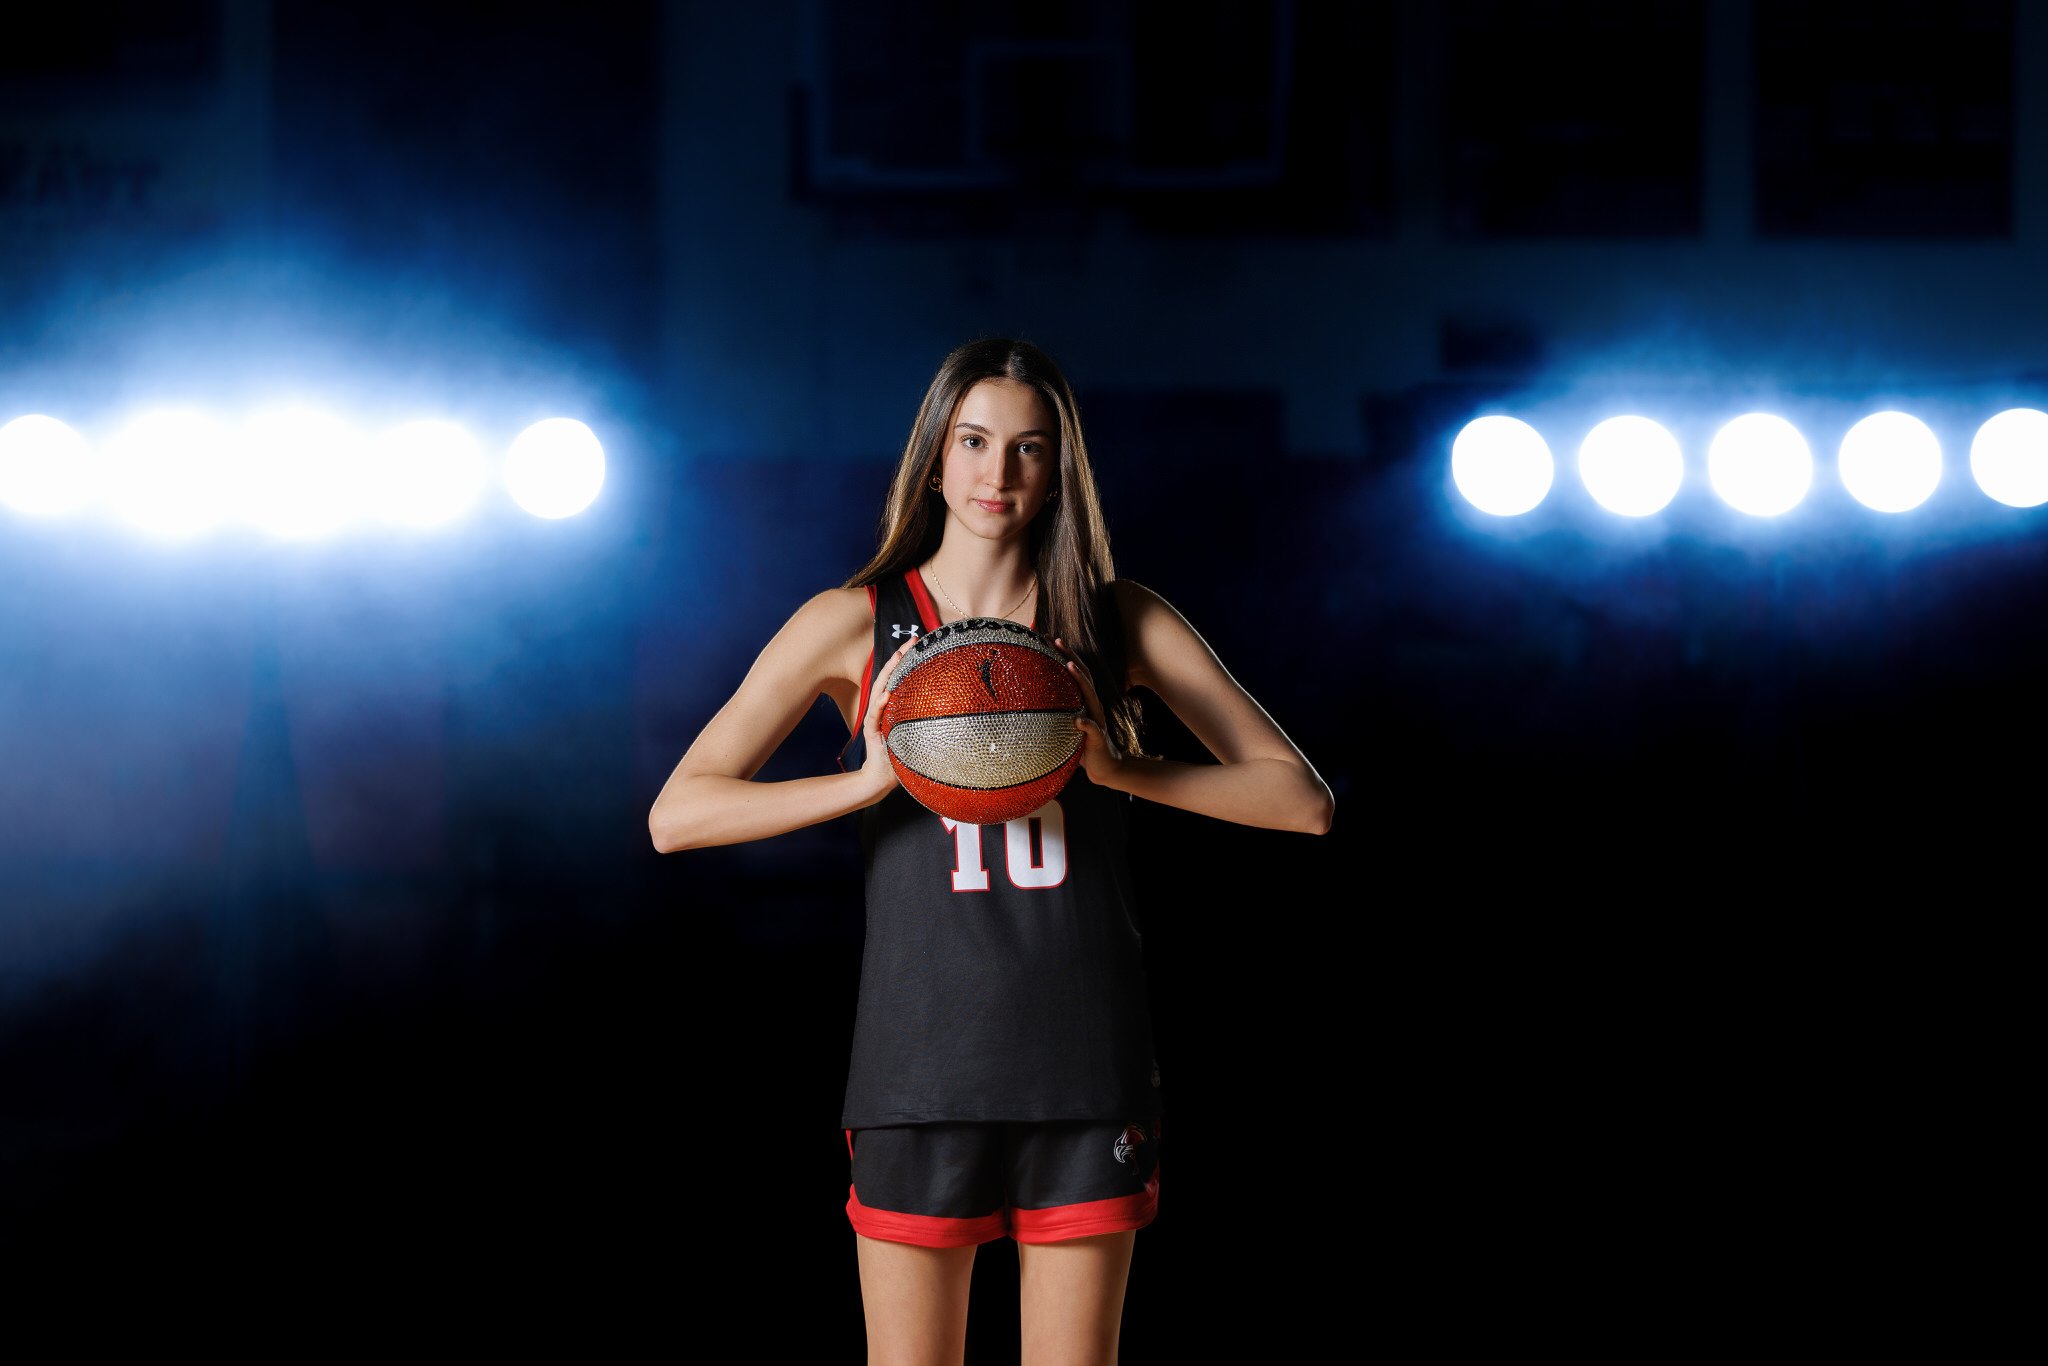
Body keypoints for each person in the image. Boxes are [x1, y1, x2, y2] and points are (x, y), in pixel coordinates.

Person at [648, 337, 1333, 1365]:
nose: (996, 473)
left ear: (1059, 466)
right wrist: (865, 781)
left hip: (1084, 1063)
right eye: (972, 441)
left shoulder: (1116, 620)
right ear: (934, 456)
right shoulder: (856, 622)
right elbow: (677, 814)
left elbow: (1301, 801)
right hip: (917, 1066)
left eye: (1027, 447)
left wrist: (1120, 769)